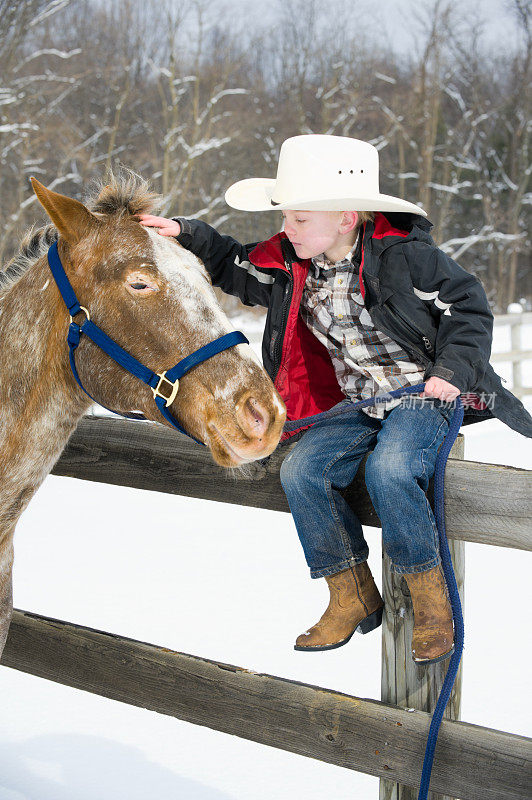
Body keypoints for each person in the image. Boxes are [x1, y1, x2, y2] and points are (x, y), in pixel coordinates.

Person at [138, 134, 532, 663]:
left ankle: (430, 598)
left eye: (299, 219)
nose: (286, 229)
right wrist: (184, 233)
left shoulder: (405, 258)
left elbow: (469, 306)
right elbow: (233, 264)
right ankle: (349, 591)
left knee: (391, 471)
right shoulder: (290, 265)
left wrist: (452, 370)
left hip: (423, 397)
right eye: (287, 218)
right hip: (358, 404)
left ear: (346, 218)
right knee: (301, 471)